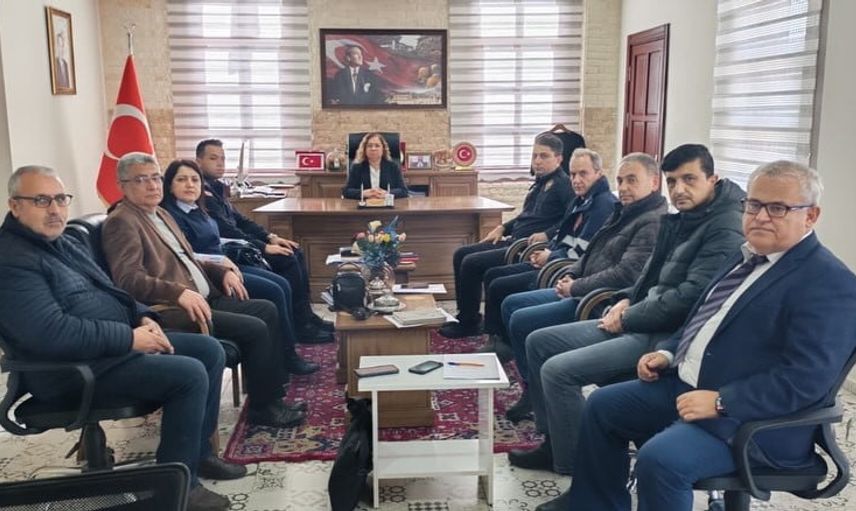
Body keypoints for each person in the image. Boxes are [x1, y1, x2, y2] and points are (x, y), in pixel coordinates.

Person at [565, 160, 856, 511]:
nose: (761, 217)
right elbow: (704, 319)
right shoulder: (746, 255)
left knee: (660, 460)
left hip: (752, 422)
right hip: (687, 387)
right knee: (601, 406)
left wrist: (722, 402)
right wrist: (668, 353)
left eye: (778, 208)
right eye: (754, 204)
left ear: (811, 216)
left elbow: (805, 380)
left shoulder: (829, 283)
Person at [0, 166, 241, 511]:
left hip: (107, 352)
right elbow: (50, 334)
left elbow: (112, 289)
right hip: (69, 371)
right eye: (41, 200)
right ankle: (176, 490)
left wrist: (143, 315)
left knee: (209, 350)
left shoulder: (62, 241)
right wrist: (129, 338)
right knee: (188, 374)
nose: (54, 210)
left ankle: (197, 456)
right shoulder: (11, 261)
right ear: (15, 205)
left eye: (60, 199)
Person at [509, 144, 746, 496]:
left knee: (558, 371)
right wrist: (624, 300)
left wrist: (629, 315)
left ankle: (574, 471)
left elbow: (687, 300)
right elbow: (649, 275)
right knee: (539, 342)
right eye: (673, 181)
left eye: (689, 179)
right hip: (639, 316)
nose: (679, 189)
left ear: (713, 179)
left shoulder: (724, 229)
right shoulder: (685, 217)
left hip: (663, 335)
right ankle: (555, 445)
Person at [101, 152, 307, 429]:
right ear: (122, 185)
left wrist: (221, 272)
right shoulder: (122, 221)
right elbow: (128, 280)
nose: (152, 185)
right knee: (255, 327)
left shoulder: (160, 213)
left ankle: (272, 395)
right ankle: (264, 408)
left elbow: (189, 259)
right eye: (141, 180)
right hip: (175, 310)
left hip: (205, 296)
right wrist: (177, 293)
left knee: (266, 308)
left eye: (155, 178)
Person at [501, 153, 667, 422]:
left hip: (599, 302)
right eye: (620, 180)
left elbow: (625, 274)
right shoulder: (623, 211)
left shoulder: (652, 221)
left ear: (654, 182)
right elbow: (590, 252)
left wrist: (576, 286)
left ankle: (540, 403)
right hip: (582, 288)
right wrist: (571, 274)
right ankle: (534, 390)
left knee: (523, 321)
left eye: (632, 180)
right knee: (513, 305)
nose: (624, 187)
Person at [160, 158, 319, 376]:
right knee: (274, 290)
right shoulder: (171, 216)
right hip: (209, 275)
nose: (189, 185)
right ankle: (287, 357)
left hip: (226, 264)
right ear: (169, 185)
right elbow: (182, 254)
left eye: (194, 180)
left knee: (281, 282)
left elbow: (218, 237)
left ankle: (289, 348)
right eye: (182, 180)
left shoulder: (197, 208)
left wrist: (254, 243)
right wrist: (220, 262)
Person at [476, 148, 617, 356]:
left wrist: (551, 256)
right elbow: (563, 235)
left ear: (599, 173)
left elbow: (582, 249)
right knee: (493, 275)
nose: (576, 180)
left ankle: (505, 344)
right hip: (555, 260)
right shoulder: (581, 199)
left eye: (583, 174)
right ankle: (498, 338)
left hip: (563, 270)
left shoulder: (602, 204)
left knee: (500, 285)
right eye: (573, 174)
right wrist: (547, 250)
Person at [196, 139, 334, 344]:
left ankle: (306, 316)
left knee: (295, 252)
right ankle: (300, 327)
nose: (220, 163)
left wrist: (271, 237)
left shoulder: (217, 188)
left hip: (244, 246)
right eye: (213, 158)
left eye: (223, 158)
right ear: (198, 161)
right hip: (233, 254)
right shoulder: (202, 194)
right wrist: (265, 247)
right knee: (287, 259)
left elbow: (241, 221)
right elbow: (229, 231)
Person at [438, 132, 572, 338]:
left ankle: (471, 324)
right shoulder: (540, 182)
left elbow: (570, 220)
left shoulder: (563, 185)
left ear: (559, 158)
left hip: (527, 247)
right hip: (514, 240)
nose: (537, 161)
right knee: (461, 253)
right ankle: (467, 317)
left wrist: (547, 234)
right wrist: (503, 228)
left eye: (544, 156)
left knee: (472, 262)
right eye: (534, 155)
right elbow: (526, 217)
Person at [342, 132, 409, 200]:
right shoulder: (357, 168)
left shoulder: (393, 167)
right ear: (365, 149)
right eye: (369, 146)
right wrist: (363, 193)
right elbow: (346, 191)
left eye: (377, 145)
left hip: (386, 205)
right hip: (365, 205)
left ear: (383, 149)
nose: (373, 148)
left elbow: (404, 191)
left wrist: (387, 193)